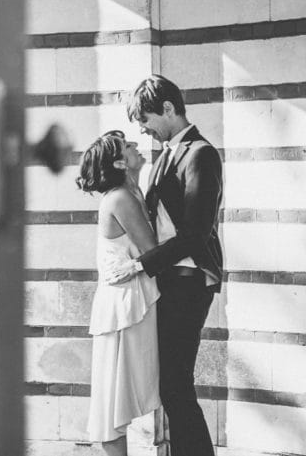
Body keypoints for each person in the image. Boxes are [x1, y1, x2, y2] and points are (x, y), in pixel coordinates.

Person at [109, 75, 223, 456]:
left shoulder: (200, 153)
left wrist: (141, 265)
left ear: (169, 109)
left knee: (176, 383)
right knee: (170, 385)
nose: (142, 128)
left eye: (145, 118)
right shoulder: (166, 156)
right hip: (170, 281)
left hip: (189, 281)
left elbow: (195, 233)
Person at [77, 130, 161, 453]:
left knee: (117, 403)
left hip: (129, 302)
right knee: (111, 409)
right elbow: (151, 249)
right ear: (119, 162)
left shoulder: (130, 191)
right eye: (128, 146)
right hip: (121, 309)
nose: (135, 145)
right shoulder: (120, 199)